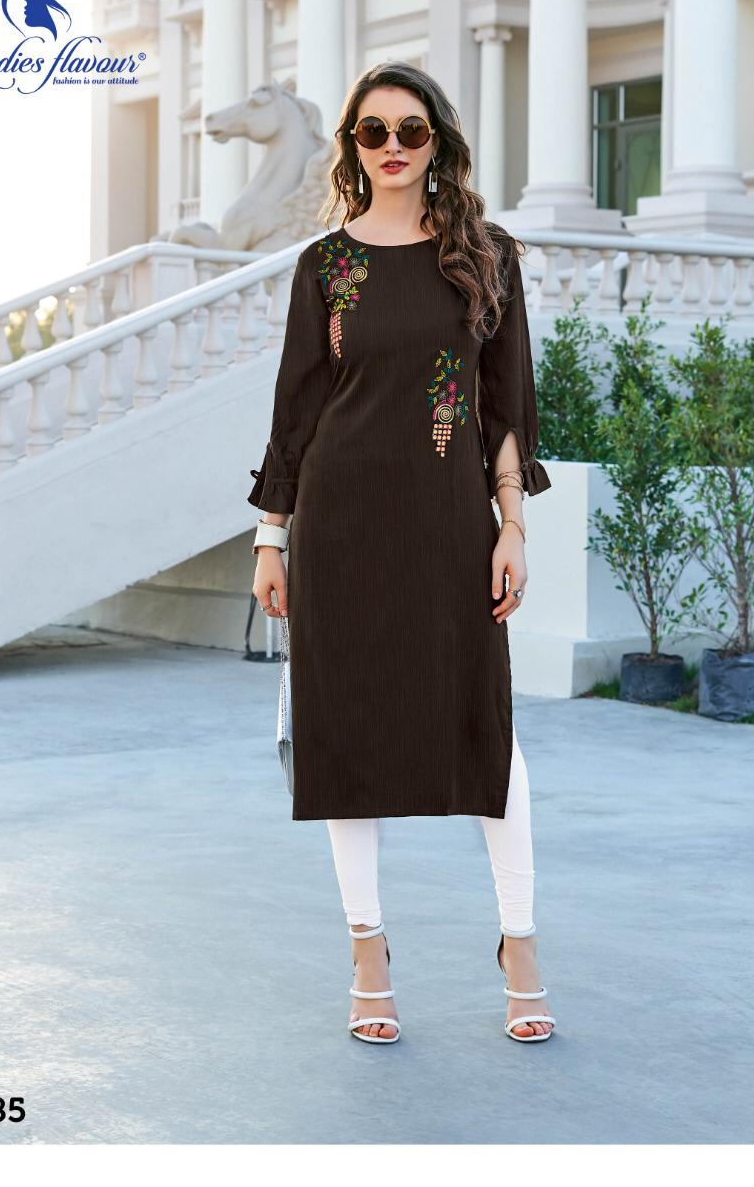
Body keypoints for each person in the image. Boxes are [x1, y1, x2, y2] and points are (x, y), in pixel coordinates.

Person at [247, 61, 555, 1044]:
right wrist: (271, 536)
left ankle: (519, 941)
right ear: (353, 146)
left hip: (449, 525)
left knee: (485, 729)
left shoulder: (487, 257)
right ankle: (368, 950)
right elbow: (297, 408)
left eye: (410, 130)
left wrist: (511, 526)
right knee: (346, 734)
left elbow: (504, 408)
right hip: (339, 524)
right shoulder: (325, 267)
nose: (391, 147)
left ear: (438, 143)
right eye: (372, 131)